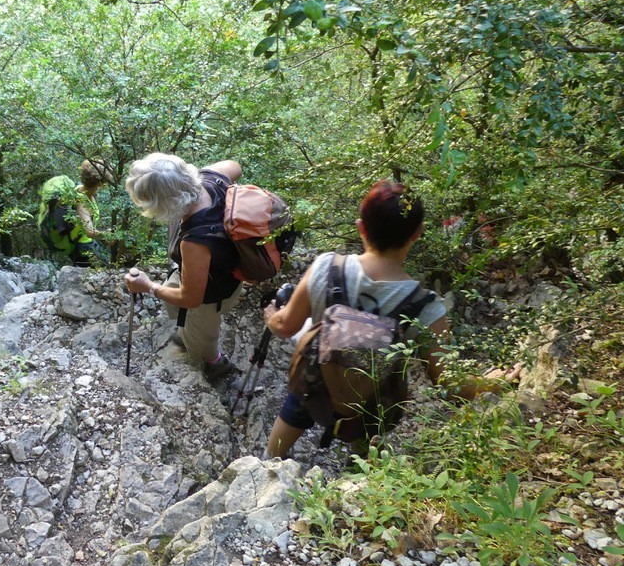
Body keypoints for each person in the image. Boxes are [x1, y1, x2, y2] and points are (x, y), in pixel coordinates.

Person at [261, 179, 522, 460]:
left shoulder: (327, 266)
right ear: (417, 234)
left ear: (361, 227)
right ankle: (361, 476)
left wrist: (271, 314)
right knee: (368, 429)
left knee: (301, 395)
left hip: (314, 389)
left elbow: (285, 327)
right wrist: (495, 381)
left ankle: (267, 463)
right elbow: (449, 383)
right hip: (371, 405)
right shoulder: (425, 307)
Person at [123, 153, 245, 379]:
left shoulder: (195, 242)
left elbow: (192, 299)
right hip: (228, 275)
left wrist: (148, 286)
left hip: (212, 295)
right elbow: (235, 165)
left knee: (203, 338)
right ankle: (188, 332)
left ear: (164, 203)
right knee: (181, 302)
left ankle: (215, 363)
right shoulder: (212, 179)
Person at [37, 160, 113, 267]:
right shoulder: (81, 201)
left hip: (81, 242)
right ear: (101, 184)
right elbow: (89, 232)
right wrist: (109, 235)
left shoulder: (79, 189)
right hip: (82, 248)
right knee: (102, 271)